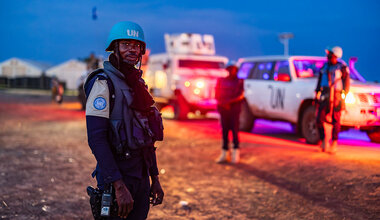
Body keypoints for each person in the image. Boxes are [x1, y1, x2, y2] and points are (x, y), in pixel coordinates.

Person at [84, 21, 164, 219]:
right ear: (115, 48)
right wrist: (119, 186)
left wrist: (154, 177)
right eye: (126, 44)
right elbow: (97, 139)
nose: (132, 49)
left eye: (136, 45)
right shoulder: (103, 83)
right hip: (116, 177)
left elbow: (147, 137)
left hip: (141, 176)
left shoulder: (138, 85)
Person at [315, 46, 350, 154]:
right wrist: (317, 93)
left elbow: (346, 83)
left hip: (336, 95)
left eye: (330, 54)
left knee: (336, 120)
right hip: (325, 94)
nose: (328, 56)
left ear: (335, 55)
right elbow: (320, 81)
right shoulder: (324, 67)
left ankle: (334, 142)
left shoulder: (342, 68)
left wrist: (343, 97)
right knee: (319, 118)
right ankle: (323, 140)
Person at [215, 61, 245, 163]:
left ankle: (235, 153)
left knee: (235, 131)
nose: (231, 71)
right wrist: (222, 103)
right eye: (230, 69)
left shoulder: (240, 81)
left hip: (234, 110)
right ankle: (224, 153)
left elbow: (241, 95)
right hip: (224, 110)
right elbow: (217, 93)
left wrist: (228, 103)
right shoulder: (221, 81)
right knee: (224, 131)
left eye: (233, 69)